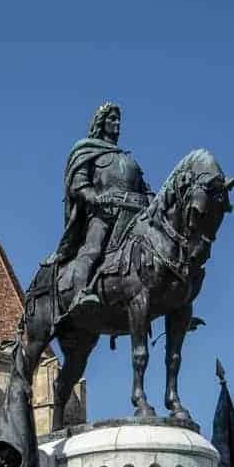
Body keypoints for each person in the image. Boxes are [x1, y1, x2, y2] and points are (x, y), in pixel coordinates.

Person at [51, 102, 153, 317]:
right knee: (93, 249)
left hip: (135, 215)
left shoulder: (128, 159)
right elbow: (78, 183)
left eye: (118, 120)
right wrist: (94, 198)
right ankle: (80, 294)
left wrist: (156, 203)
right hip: (104, 214)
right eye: (112, 119)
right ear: (101, 122)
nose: (117, 124)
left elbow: (145, 189)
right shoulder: (88, 151)